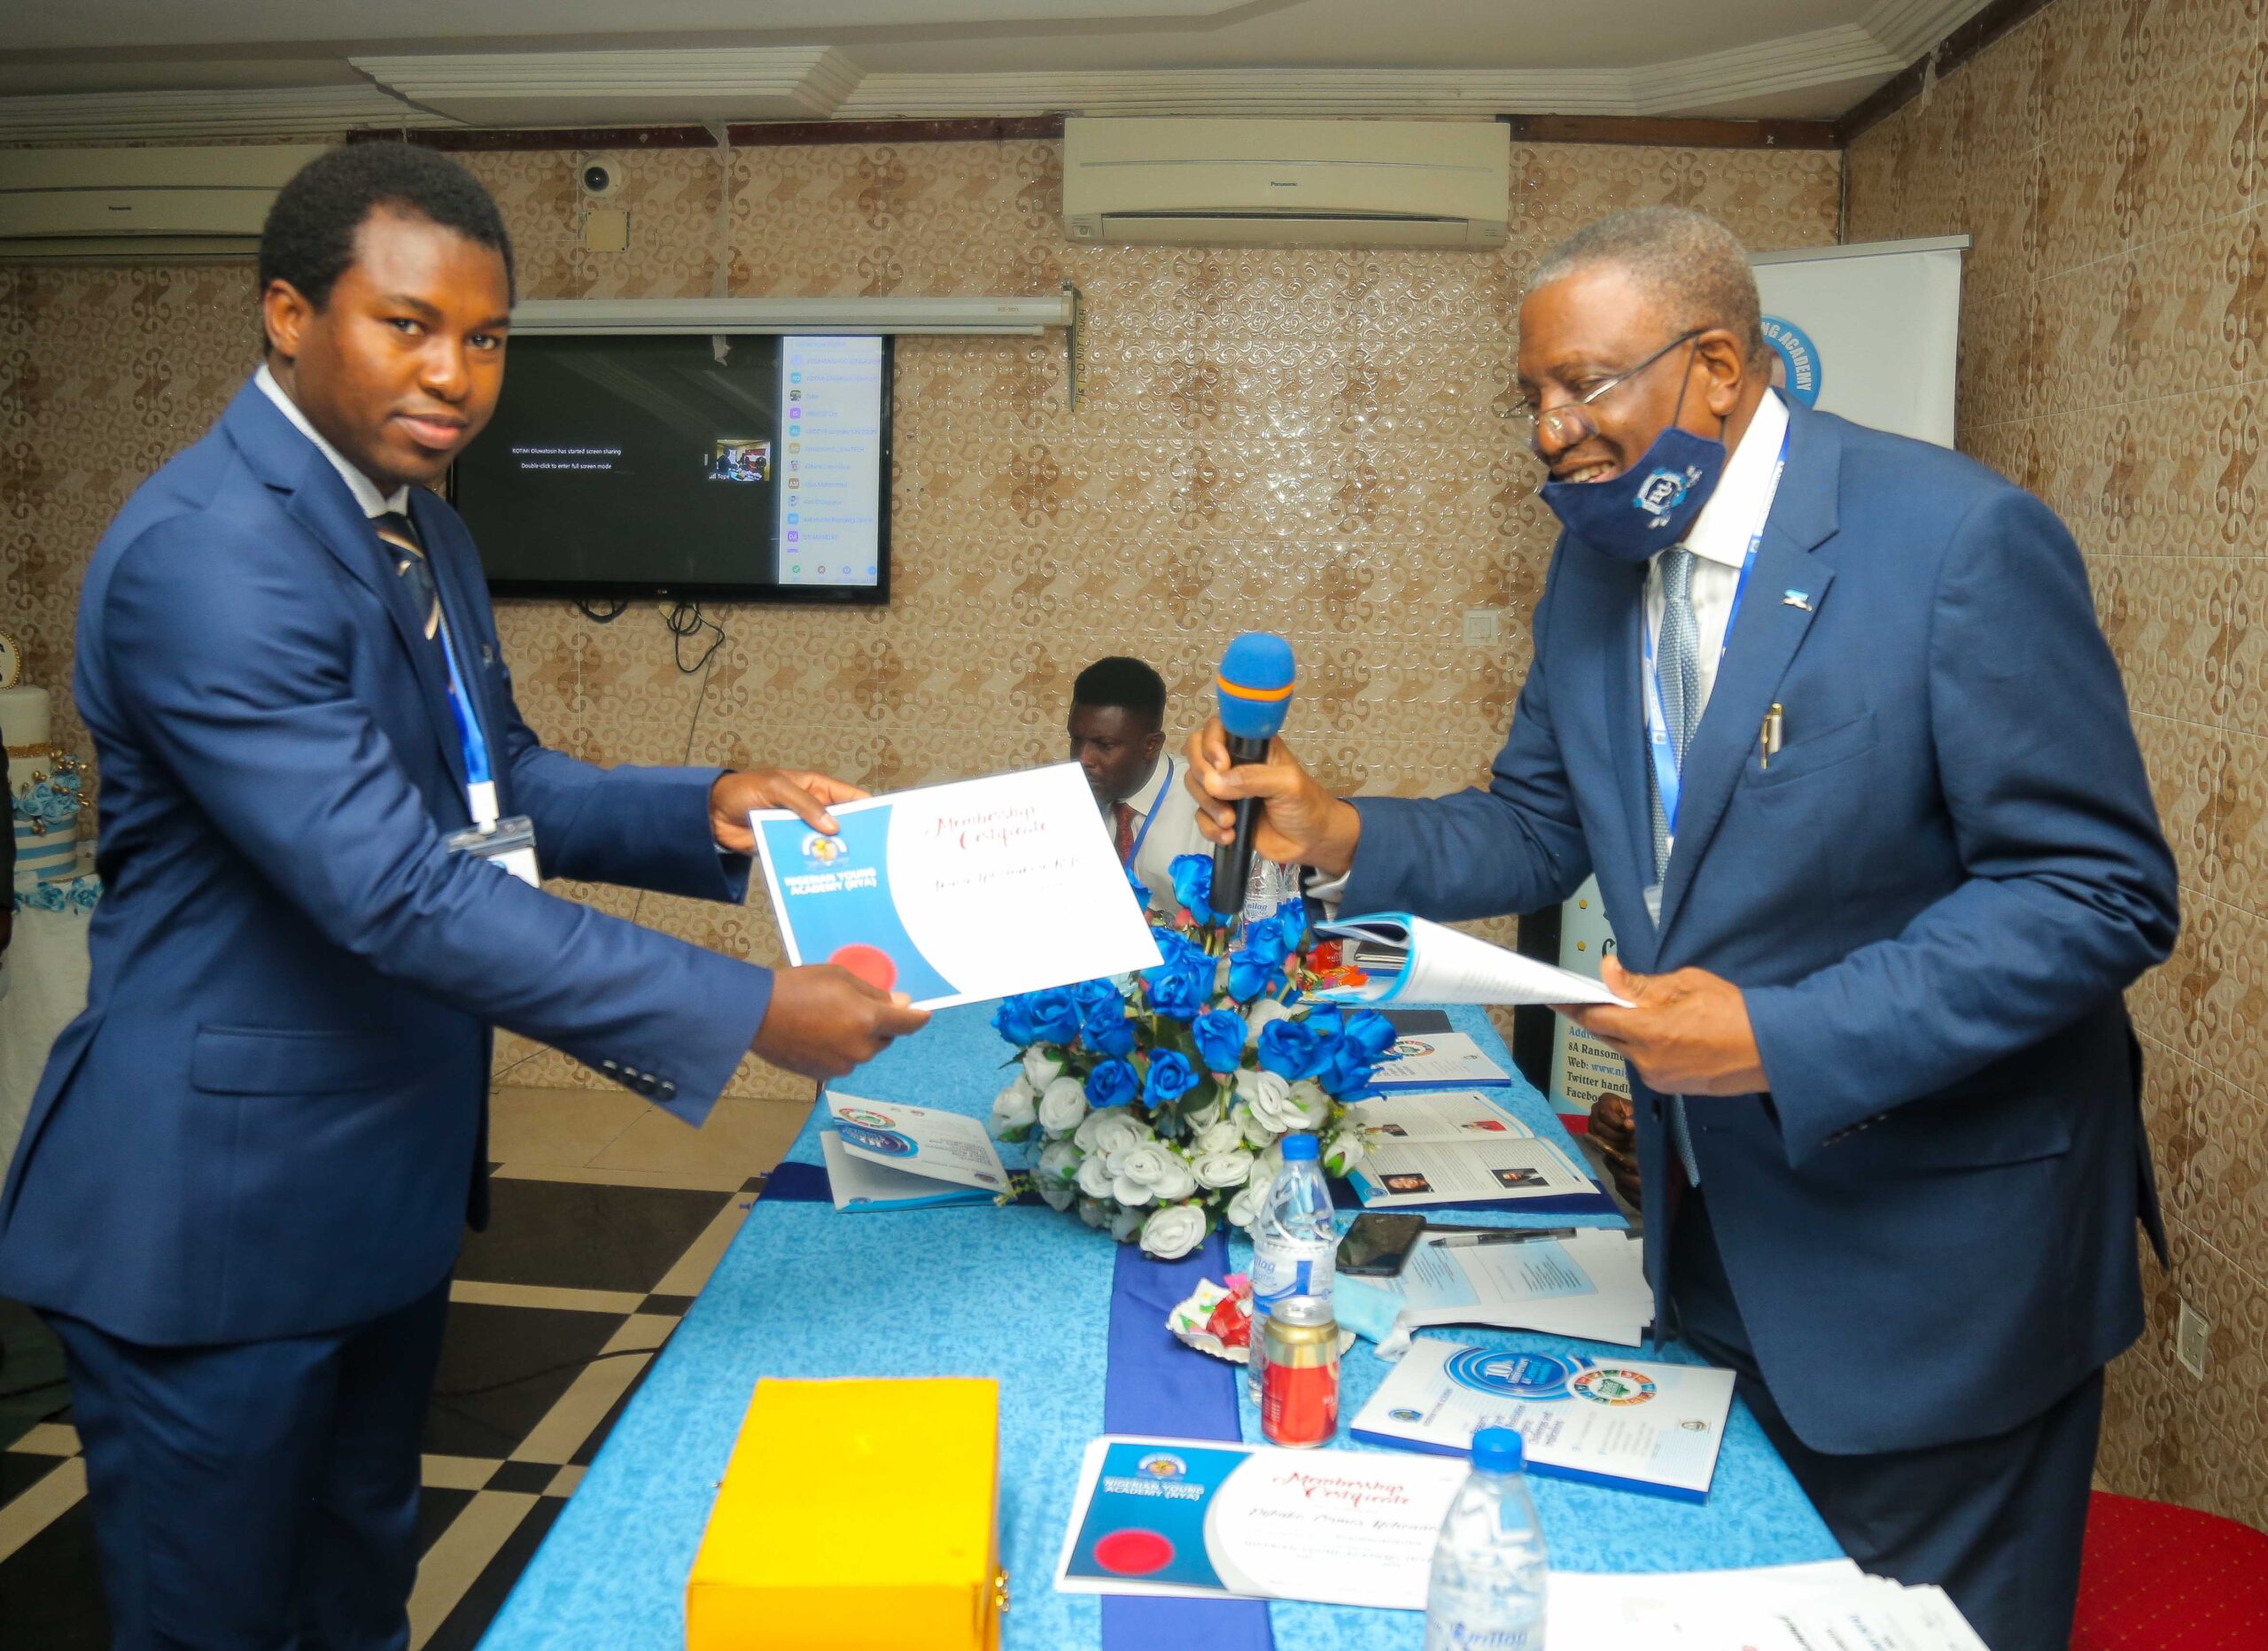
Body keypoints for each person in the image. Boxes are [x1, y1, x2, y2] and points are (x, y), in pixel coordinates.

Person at [1186, 206, 2178, 1651]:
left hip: (1936, 1272)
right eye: (1530, 396)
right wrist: (1334, 830)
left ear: (1716, 365)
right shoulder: (1599, 561)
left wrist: (1780, 1035)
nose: (1550, 431)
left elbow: (2096, 892)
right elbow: (1540, 823)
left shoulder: (1955, 540)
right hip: (1713, 1236)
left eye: (1582, 385)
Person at [0, 142, 928, 1650]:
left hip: (376, 1195)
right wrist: (751, 1008)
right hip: (215, 1225)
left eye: (486, 337)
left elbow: (497, 783)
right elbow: (397, 887)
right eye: (409, 324)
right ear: (288, 314)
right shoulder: (210, 556)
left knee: (357, 1604)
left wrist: (703, 805)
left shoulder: (418, 521)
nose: (456, 374)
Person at [1068, 655, 1209, 911]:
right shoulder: (1066, 796)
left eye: (1104, 745)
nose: (1082, 758)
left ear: (1151, 745)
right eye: (1076, 739)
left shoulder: (1208, 804)